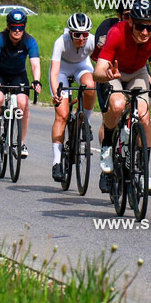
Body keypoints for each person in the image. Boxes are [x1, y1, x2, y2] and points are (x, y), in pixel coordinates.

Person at [92, 0, 151, 193]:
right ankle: (107, 148)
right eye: (140, 27)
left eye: (149, 28)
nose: (145, 32)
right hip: (114, 71)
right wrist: (107, 74)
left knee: (143, 115)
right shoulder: (116, 32)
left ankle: (142, 170)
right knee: (118, 105)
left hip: (138, 72)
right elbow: (97, 71)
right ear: (130, 23)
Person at [92, 0, 138, 192]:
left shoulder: (141, 29)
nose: (132, 19)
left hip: (132, 74)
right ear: (119, 15)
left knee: (139, 114)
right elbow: (99, 60)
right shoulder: (107, 27)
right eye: (128, 15)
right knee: (111, 115)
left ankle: (136, 161)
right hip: (110, 74)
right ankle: (106, 166)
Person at [0, 9, 43, 158]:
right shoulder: (0, 39)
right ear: (8, 27)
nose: (17, 30)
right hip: (0, 75)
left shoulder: (29, 41)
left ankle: (21, 142)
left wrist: (36, 80)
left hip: (18, 75)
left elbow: (35, 64)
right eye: (13, 27)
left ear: (24, 27)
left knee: (22, 103)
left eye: (20, 27)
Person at [49, 12, 97, 182]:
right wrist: (56, 93)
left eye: (85, 34)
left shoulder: (92, 40)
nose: (81, 38)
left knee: (91, 86)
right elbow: (54, 73)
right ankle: (56, 162)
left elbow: (102, 62)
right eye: (77, 34)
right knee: (62, 115)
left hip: (82, 67)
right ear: (70, 33)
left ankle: (85, 120)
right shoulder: (60, 42)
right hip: (62, 71)